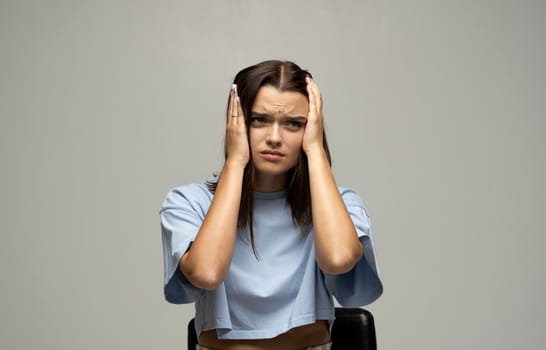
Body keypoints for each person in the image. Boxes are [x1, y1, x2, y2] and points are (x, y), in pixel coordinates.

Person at [161, 60, 383, 350]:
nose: (275, 138)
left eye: (294, 123)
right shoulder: (188, 201)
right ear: (235, 121)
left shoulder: (338, 203)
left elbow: (339, 258)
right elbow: (207, 273)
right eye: (259, 119)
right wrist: (236, 161)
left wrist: (315, 150)